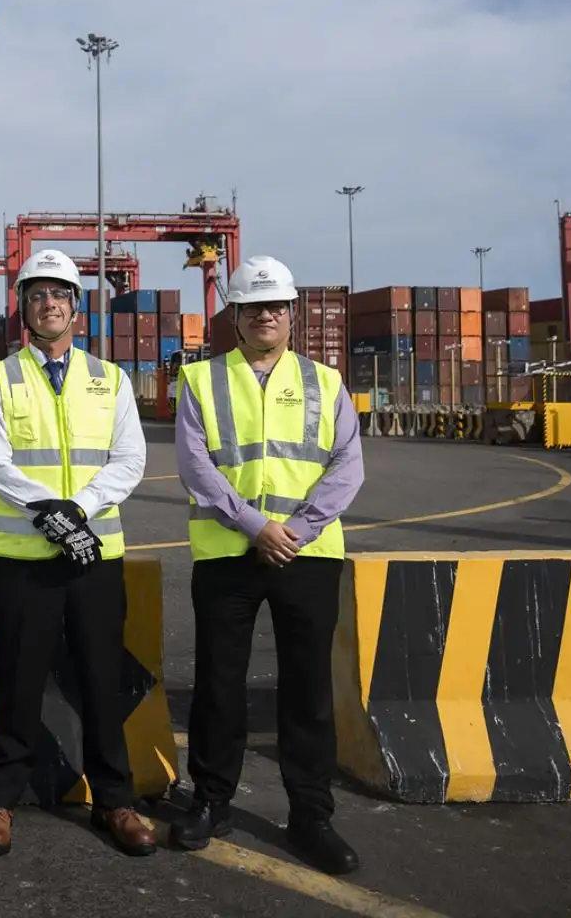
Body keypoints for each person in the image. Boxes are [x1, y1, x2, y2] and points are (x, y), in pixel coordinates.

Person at [171, 255, 363, 875]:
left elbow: (347, 467)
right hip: (229, 552)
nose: (266, 315)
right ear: (236, 313)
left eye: (276, 305)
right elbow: (195, 466)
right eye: (254, 306)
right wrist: (256, 526)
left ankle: (312, 817)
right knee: (218, 688)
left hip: (306, 555)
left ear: (291, 312)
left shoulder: (326, 381)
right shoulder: (201, 380)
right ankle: (211, 800)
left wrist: (296, 531)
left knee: (308, 692)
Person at [0, 249, 153, 857]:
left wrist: (80, 509)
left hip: (94, 554)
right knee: (16, 681)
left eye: (61, 295)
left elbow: (130, 460)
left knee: (103, 680)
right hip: (24, 557)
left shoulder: (110, 378)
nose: (50, 304)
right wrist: (49, 511)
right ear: (23, 307)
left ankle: (115, 801)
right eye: (38, 294)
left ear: (77, 308)